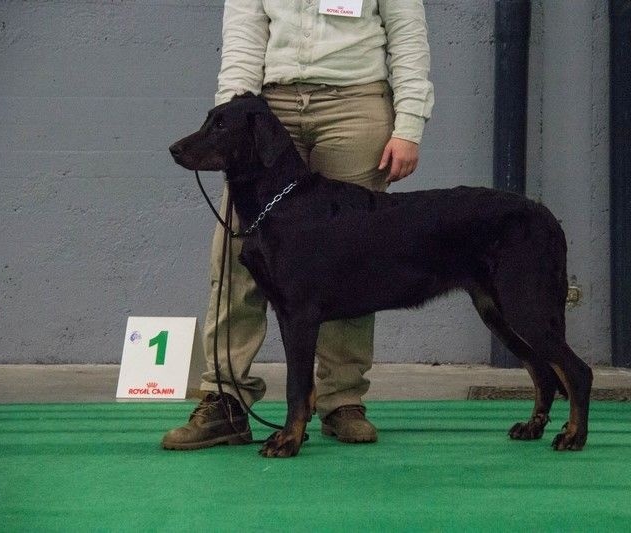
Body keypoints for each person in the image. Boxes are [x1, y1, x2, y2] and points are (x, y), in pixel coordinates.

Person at [162, 0, 434, 450]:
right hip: (270, 108)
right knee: (237, 260)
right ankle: (226, 399)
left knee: (353, 258)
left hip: (355, 104)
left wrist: (409, 124)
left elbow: (407, 36)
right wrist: (233, 113)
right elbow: (244, 35)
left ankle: (341, 401)